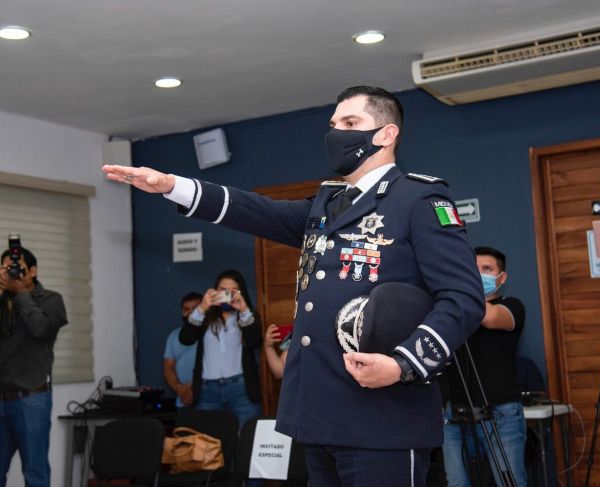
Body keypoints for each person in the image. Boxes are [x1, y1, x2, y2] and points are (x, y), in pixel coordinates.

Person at [103, 85, 484, 486]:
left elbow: (463, 299)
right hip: (320, 417)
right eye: (333, 124)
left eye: (350, 123)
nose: (336, 133)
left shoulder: (418, 199)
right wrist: (172, 186)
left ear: (386, 134)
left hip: (383, 417)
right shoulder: (327, 202)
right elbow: (256, 211)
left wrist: (403, 364)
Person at [441, 246, 527, 487]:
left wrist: (463, 287)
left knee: (509, 482)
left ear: (502, 277)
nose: (478, 275)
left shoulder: (512, 305)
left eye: (486, 269)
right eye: (473, 269)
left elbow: (489, 317)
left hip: (501, 413)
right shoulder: (452, 309)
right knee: (456, 483)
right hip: (453, 413)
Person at [0, 245, 67, 487]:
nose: (12, 273)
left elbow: (40, 329)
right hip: (1, 397)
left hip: (32, 398)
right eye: (6, 269)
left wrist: (20, 294)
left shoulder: (51, 299)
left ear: (33, 271)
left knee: (35, 471)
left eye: (17, 268)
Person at [180, 270, 262, 428]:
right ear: (215, 291)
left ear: (241, 292)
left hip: (241, 389)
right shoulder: (205, 316)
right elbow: (185, 338)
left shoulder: (248, 316)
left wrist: (244, 310)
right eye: (223, 290)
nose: (227, 295)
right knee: (209, 440)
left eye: (233, 291)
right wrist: (202, 307)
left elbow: (256, 342)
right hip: (207, 391)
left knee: (245, 436)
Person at [163, 292, 202, 408]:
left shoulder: (213, 334)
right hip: (184, 401)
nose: (190, 313)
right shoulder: (174, 336)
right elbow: (168, 368)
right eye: (186, 309)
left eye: (195, 309)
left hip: (211, 400)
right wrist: (179, 389)